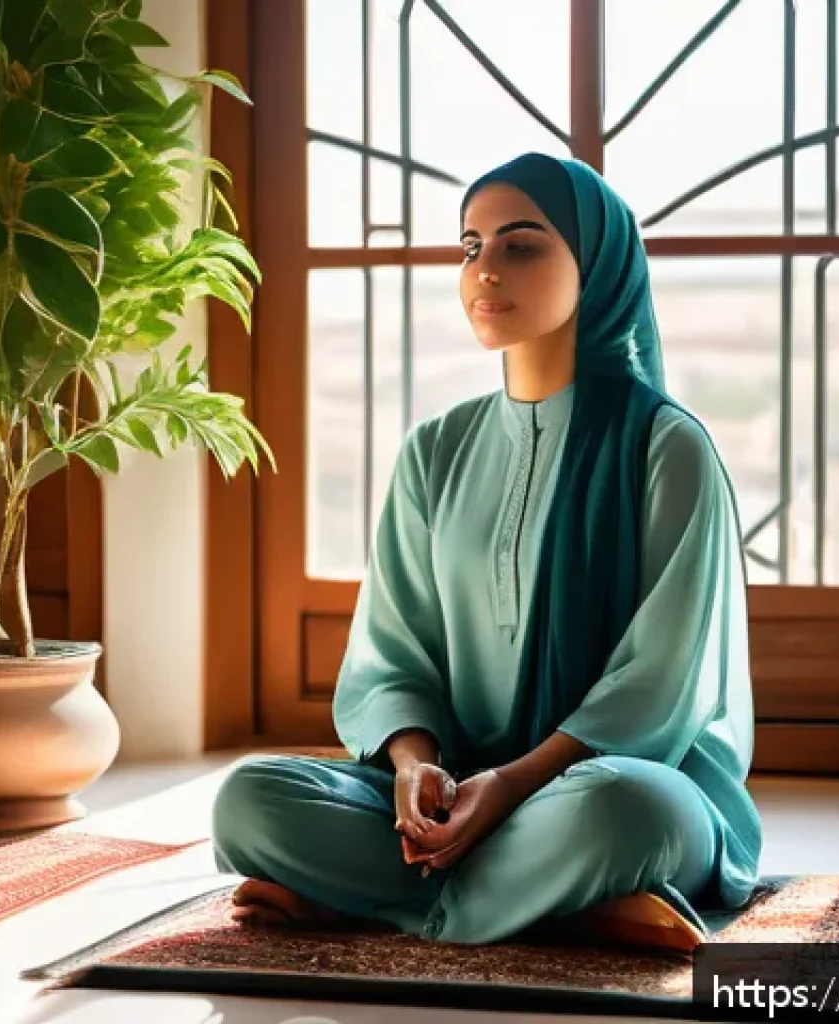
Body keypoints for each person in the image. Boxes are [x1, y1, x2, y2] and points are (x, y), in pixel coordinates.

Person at [211, 152, 763, 948]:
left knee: (632, 812)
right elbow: (394, 656)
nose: (484, 270)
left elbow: (659, 687)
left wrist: (509, 787)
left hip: (601, 786)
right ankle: (568, 905)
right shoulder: (435, 449)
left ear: (597, 266)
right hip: (454, 790)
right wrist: (412, 769)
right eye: (470, 247)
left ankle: (380, 902)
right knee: (249, 799)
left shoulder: (666, 449)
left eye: (521, 245)